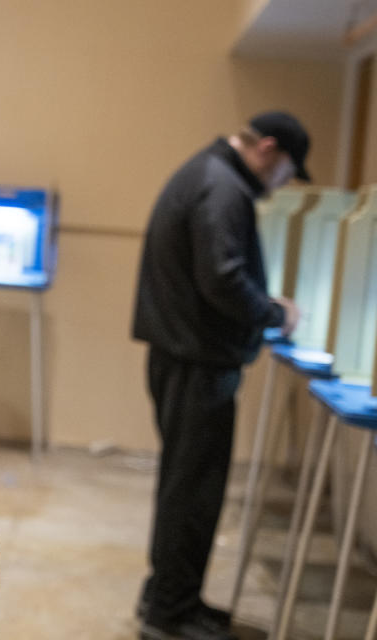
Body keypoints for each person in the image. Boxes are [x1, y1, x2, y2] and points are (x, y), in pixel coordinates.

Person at [131, 111, 309, 640]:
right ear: (269, 149)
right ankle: (171, 613)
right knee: (195, 491)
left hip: (182, 357)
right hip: (198, 363)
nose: (281, 185)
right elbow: (223, 278)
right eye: (287, 171)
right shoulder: (223, 187)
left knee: (184, 485)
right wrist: (277, 314)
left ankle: (171, 599)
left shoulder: (208, 173)